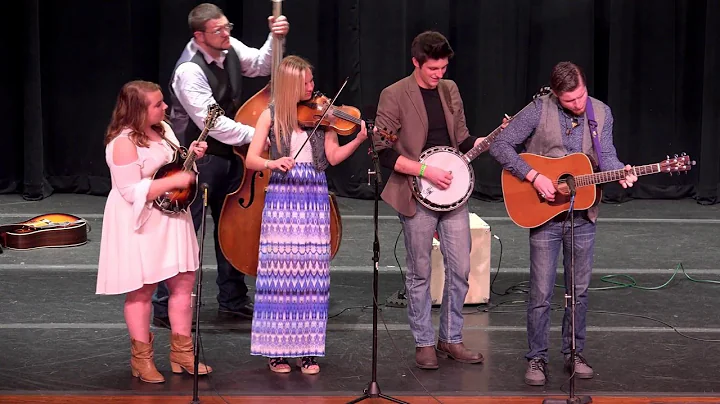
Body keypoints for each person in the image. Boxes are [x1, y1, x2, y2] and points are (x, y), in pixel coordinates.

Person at [489, 61, 638, 386]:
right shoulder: (537, 110)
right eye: (570, 100)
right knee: (541, 293)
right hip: (543, 213)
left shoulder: (600, 112)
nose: (578, 104)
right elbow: (499, 144)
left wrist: (620, 170)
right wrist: (533, 175)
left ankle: (574, 352)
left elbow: (606, 156)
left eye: (581, 95)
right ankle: (537, 359)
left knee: (579, 291)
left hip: (583, 214)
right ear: (556, 95)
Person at [152, 3, 290, 327]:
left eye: (227, 27)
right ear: (199, 36)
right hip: (195, 160)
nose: (227, 33)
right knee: (186, 234)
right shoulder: (190, 71)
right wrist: (259, 135)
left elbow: (260, 64)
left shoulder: (227, 47)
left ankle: (233, 300)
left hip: (229, 158)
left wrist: (274, 36)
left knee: (230, 230)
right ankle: (163, 307)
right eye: (219, 30)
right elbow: (214, 125)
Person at [244, 55, 368, 374]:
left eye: (312, 81)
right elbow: (251, 159)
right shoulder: (270, 116)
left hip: (313, 196)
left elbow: (332, 157)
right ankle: (277, 350)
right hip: (282, 197)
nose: (313, 88)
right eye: (307, 83)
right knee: (279, 275)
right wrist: (273, 163)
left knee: (312, 275)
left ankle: (308, 349)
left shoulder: (322, 116)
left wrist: (358, 139)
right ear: (290, 86)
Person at [373, 31, 485, 370]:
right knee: (420, 270)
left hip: (453, 195)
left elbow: (462, 140)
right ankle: (423, 342)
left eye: (444, 67)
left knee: (461, 268)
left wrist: (486, 142)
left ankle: (450, 338)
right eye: (433, 69)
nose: (440, 74)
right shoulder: (393, 94)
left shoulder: (449, 90)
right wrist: (425, 171)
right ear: (416, 63)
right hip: (416, 191)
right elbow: (383, 152)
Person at [97, 80, 212, 383]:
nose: (164, 108)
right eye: (157, 104)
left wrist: (190, 157)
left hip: (171, 217)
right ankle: (142, 360)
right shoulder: (123, 143)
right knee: (143, 289)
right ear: (137, 110)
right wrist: (171, 183)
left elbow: (171, 166)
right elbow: (129, 189)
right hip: (142, 222)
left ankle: (182, 354)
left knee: (183, 283)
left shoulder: (162, 131)